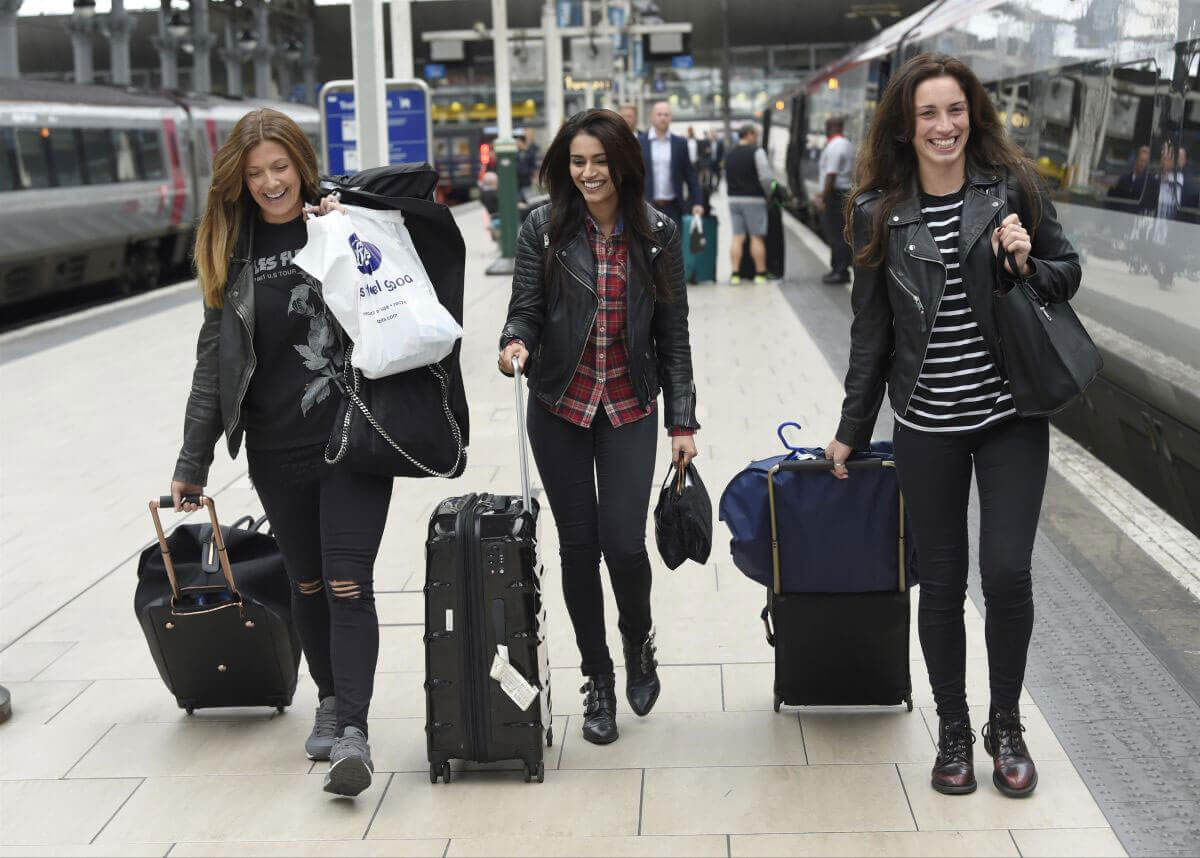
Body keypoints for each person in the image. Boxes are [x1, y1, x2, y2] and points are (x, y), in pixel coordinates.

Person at [824, 54, 1080, 799]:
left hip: (1010, 418)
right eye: (929, 113)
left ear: (974, 115)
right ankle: (955, 731)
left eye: (956, 110)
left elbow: (1068, 273)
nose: (945, 126)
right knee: (940, 584)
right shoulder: (876, 210)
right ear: (906, 126)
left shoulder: (1012, 188)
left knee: (1006, 572)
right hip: (926, 426)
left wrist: (1029, 261)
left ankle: (1007, 725)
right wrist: (850, 427)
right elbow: (870, 334)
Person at [170, 108, 391, 798]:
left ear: (301, 162)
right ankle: (328, 696)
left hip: (352, 439)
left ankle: (352, 730)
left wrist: (351, 224)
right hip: (273, 447)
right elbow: (215, 364)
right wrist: (192, 461)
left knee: (349, 578)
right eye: (257, 172)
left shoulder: (339, 221)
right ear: (239, 180)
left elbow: (401, 287)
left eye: (281, 167)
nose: (271, 183)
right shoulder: (229, 252)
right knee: (308, 584)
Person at [497, 109, 700, 746]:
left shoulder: (659, 234)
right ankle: (600, 680)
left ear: (624, 164)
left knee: (625, 544)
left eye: (599, 161)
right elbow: (524, 310)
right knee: (578, 550)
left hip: (630, 406)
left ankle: (638, 641)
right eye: (577, 161)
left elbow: (674, 335)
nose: (588, 173)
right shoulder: (543, 227)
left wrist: (683, 421)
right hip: (560, 403)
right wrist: (512, 346)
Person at [640, 100, 705, 232]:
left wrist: (698, 201)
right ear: (652, 117)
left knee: (674, 249)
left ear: (670, 118)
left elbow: (689, 174)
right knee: (650, 249)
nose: (663, 118)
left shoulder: (680, 143)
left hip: (674, 207)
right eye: (659, 114)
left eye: (666, 114)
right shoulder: (640, 142)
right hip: (647, 206)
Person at [724, 123, 777, 284]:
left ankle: (735, 274)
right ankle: (760, 273)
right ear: (749, 134)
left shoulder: (730, 153)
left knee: (737, 237)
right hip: (754, 199)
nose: (757, 137)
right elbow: (765, 177)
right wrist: (768, 193)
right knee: (756, 237)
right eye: (756, 134)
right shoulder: (757, 152)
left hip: (734, 199)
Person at [813, 117, 855, 284]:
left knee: (836, 234)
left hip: (836, 195)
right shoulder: (843, 144)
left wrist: (823, 196)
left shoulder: (837, 146)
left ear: (830, 127)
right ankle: (839, 268)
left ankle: (840, 271)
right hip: (839, 193)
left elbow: (831, 174)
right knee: (837, 233)